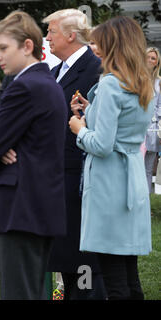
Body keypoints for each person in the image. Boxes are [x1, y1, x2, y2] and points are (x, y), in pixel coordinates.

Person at [68, 16, 153, 300]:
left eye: (98, 42)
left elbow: (102, 144)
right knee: (129, 274)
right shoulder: (143, 83)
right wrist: (91, 109)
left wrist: (79, 129)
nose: (94, 48)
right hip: (132, 179)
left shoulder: (111, 85)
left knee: (114, 276)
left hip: (108, 184)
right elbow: (122, 128)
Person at [0, 10, 67, 300]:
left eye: (3, 48)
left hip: (22, 208)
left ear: (28, 46)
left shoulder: (25, 87)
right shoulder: (47, 84)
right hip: (38, 207)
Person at [42, 8, 106, 300]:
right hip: (56, 174)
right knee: (64, 248)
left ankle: (86, 295)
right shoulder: (57, 70)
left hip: (80, 173)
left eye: (52, 31)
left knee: (83, 252)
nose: (47, 37)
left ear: (70, 35)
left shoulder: (96, 70)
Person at [144, 47, 161, 194]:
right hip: (136, 127)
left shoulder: (159, 82)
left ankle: (146, 205)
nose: (150, 60)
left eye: (153, 58)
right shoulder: (135, 79)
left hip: (152, 129)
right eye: (148, 57)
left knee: (148, 169)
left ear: (157, 63)